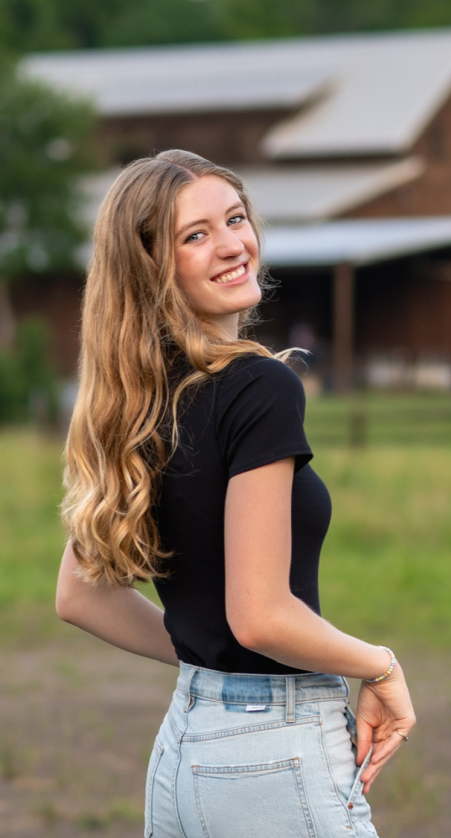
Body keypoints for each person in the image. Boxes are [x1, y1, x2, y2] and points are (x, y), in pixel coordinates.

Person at [56, 149, 415, 837]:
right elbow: (260, 617)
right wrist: (380, 665)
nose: (232, 245)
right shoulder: (260, 388)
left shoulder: (133, 399)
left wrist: (212, 666)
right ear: (152, 266)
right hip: (273, 754)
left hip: (185, 749)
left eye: (236, 219)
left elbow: (80, 596)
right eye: (196, 235)